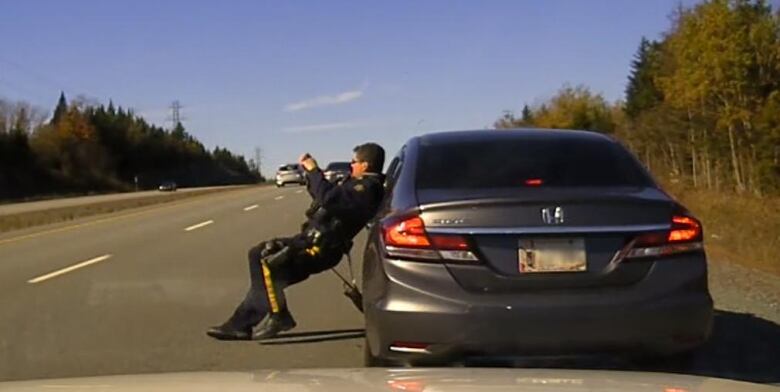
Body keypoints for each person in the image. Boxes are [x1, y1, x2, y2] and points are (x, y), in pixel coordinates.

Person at [207, 143, 385, 341]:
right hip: (308, 241)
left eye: (354, 162)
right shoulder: (357, 183)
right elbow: (323, 199)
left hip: (319, 249)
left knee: (266, 263)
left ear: (366, 165)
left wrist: (313, 170)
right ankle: (239, 325)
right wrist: (313, 177)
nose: (351, 165)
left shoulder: (367, 188)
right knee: (265, 276)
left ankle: (277, 316)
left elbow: (328, 198)